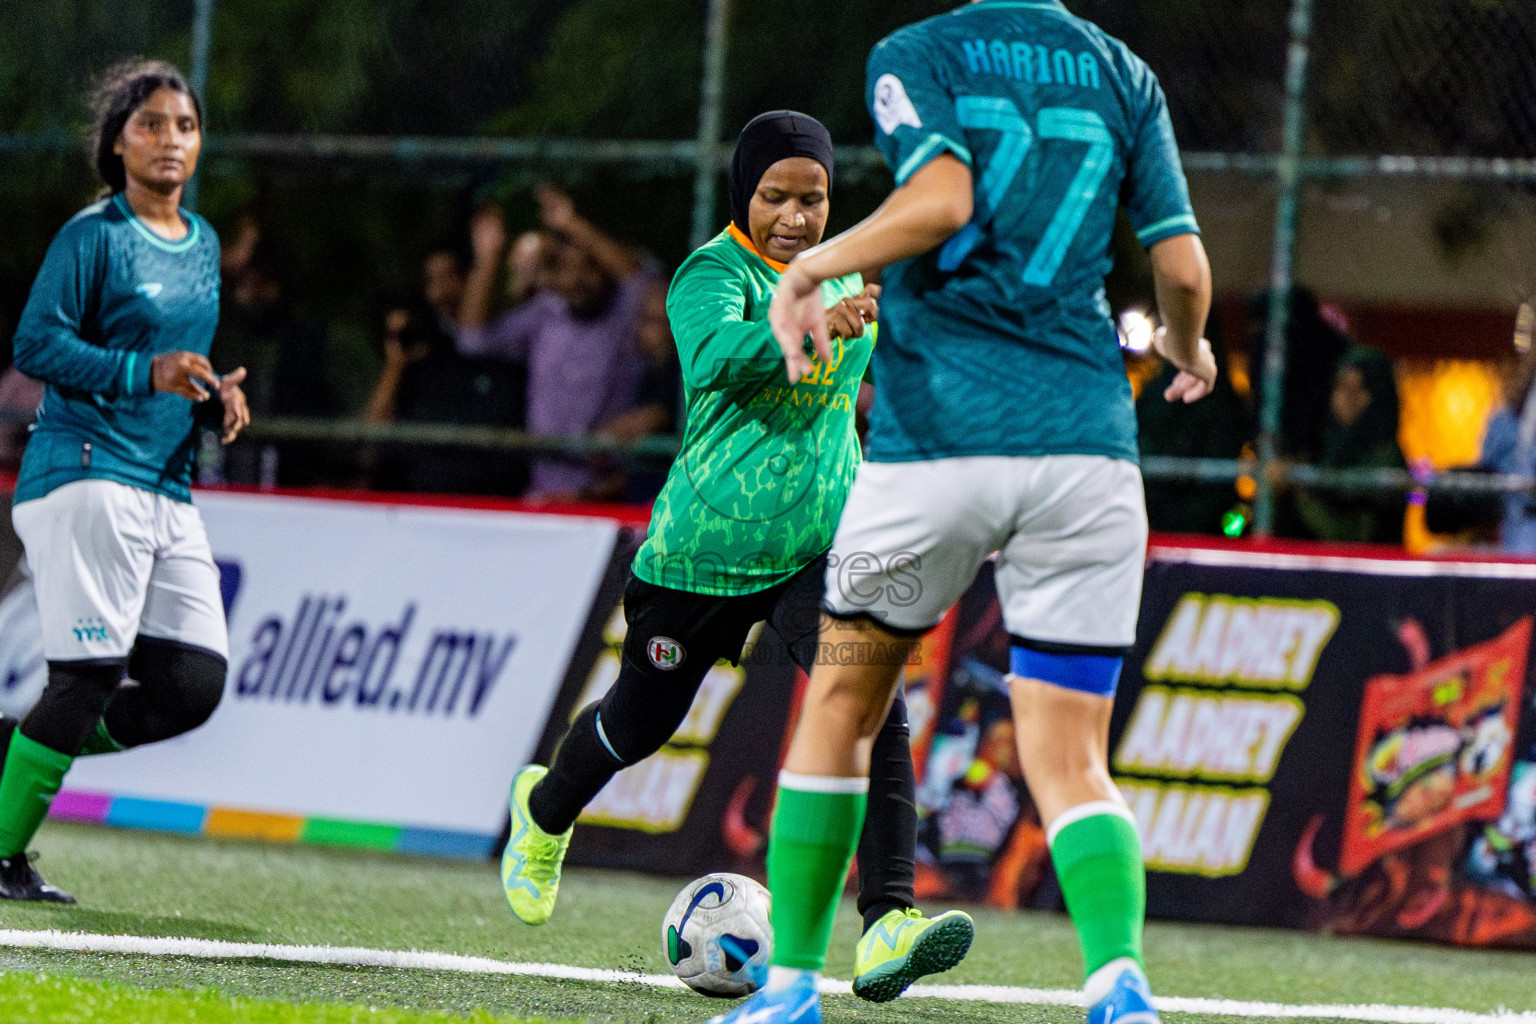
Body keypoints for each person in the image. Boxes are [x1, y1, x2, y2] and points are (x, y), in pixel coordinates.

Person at [730, 4, 1218, 1023]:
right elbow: (1179, 268)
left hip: (938, 454)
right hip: (1085, 456)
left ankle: (786, 997)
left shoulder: (919, 53)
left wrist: (814, 268)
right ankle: (1117, 981)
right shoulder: (1122, 71)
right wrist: (1187, 345)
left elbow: (944, 199)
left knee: (841, 708)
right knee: (1073, 753)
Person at [501, 110, 975, 1003]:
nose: (797, 217)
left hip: (820, 545)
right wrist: (818, 323)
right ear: (742, 195)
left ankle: (888, 925)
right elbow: (717, 358)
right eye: (776, 196)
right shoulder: (710, 273)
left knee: (869, 696)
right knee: (639, 724)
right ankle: (544, 810)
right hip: (703, 554)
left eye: (815, 197)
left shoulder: (854, 264)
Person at [0, 59, 248, 902]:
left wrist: (216, 401)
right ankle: (2, 852)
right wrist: (147, 372)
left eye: (184, 125)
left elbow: (181, 369)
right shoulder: (93, 236)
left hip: (167, 486)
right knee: (87, 678)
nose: (171, 140)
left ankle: (14, 750)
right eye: (151, 125)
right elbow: (36, 346)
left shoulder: (205, 241)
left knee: (192, 687)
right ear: (116, 143)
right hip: (86, 472)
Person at [456, 186, 647, 499]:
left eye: (588, 268)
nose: (577, 280)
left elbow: (639, 280)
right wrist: (489, 257)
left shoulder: (624, 317)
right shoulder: (546, 312)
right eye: (565, 269)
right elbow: (472, 340)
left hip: (608, 494)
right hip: (542, 493)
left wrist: (571, 223)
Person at [1280, 346, 1406, 545]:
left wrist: (1300, 488)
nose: (1348, 399)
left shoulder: (1386, 457)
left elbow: (1352, 536)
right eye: (1341, 387)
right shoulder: (1327, 445)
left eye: (1360, 389)